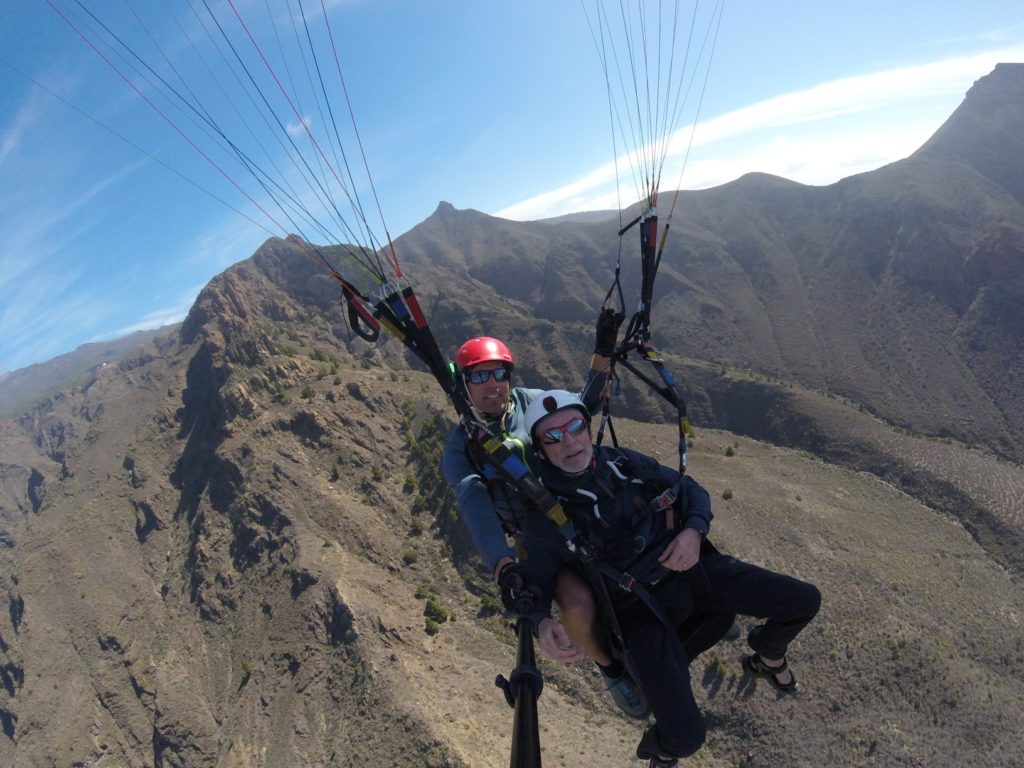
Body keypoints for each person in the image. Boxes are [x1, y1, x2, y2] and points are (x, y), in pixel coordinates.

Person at [518, 390, 822, 768]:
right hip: (639, 615)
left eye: (575, 426)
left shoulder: (624, 463)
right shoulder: (545, 515)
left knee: (804, 601)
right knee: (686, 736)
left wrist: (693, 532)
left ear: (587, 426)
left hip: (692, 574)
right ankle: (660, 751)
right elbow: (533, 586)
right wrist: (541, 622)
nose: (569, 441)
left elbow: (689, 489)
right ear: (540, 449)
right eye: (553, 436)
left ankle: (767, 655)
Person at [439, 313, 650, 718]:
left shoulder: (530, 403)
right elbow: (473, 500)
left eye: (498, 372)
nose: (492, 384)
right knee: (578, 605)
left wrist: (602, 353)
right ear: (464, 385)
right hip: (539, 536)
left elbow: (578, 407)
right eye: (479, 377)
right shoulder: (461, 447)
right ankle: (611, 669)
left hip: (581, 507)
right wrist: (503, 565)